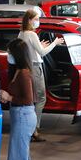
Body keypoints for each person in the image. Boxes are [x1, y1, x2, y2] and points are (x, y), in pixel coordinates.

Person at [0, 38, 37, 160]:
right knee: (22, 157)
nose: (8, 55)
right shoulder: (19, 71)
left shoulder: (23, 73)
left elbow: (28, 99)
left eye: (9, 52)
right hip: (20, 115)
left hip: (23, 115)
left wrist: (9, 98)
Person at [18, 9, 64, 142]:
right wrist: (55, 43)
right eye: (37, 19)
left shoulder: (21, 33)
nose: (38, 21)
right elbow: (43, 53)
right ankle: (34, 129)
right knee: (41, 98)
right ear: (30, 20)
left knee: (33, 99)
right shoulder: (31, 34)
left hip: (27, 67)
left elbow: (28, 50)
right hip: (35, 68)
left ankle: (31, 127)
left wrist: (39, 46)